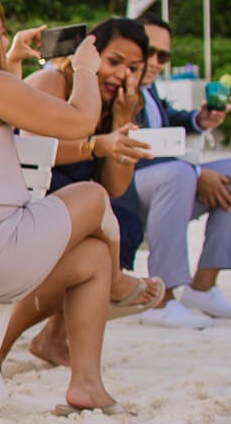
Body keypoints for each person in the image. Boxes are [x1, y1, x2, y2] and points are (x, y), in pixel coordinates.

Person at [0, 0, 160, 415]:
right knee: (93, 196)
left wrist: (13, 58)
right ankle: (116, 282)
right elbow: (78, 120)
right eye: (0, 32)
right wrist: (84, 69)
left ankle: (86, 385)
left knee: (93, 254)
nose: (4, 37)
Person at [127, 12, 231, 327]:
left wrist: (200, 120)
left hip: (162, 184)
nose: (154, 61)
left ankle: (203, 287)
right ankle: (161, 300)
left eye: (162, 55)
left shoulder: (149, 87)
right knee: (180, 174)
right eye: (148, 51)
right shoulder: (114, 85)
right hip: (124, 191)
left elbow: (164, 119)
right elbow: (131, 144)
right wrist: (195, 174)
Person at [27, 17, 156, 280]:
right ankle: (110, 286)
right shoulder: (54, 81)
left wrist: (122, 118)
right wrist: (95, 146)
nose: (122, 75)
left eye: (133, 68)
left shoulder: (119, 104)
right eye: (114, 62)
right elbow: (33, 151)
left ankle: (79, 308)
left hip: (79, 201)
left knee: (126, 223)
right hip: (29, 197)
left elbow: (115, 187)